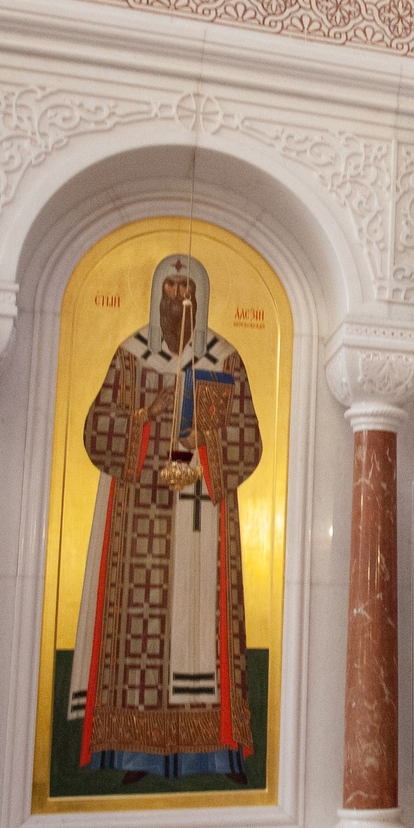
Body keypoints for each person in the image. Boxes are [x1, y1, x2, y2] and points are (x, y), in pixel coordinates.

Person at [67, 255, 262, 785]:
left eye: (186, 287)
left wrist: (206, 442)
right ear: (158, 294)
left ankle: (217, 754)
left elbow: (248, 436)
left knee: (204, 628)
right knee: (139, 629)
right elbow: (97, 428)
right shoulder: (131, 355)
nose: (178, 297)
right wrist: (144, 416)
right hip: (138, 518)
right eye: (171, 287)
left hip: (204, 515)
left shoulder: (225, 359)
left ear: (202, 296)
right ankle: (136, 755)